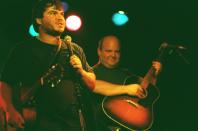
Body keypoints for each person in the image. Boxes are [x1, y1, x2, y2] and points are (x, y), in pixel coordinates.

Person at [0, 0, 95, 131]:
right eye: (53, 13)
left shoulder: (74, 49)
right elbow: (5, 83)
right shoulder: (23, 49)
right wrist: (11, 111)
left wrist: (81, 72)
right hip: (39, 122)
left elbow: (92, 84)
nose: (60, 18)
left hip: (73, 123)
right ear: (38, 20)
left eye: (62, 14)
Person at [91, 35, 162, 131]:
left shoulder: (128, 74)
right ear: (99, 51)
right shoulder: (90, 72)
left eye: (117, 52)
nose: (113, 55)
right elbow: (93, 85)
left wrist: (155, 75)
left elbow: (146, 93)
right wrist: (127, 89)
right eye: (109, 51)